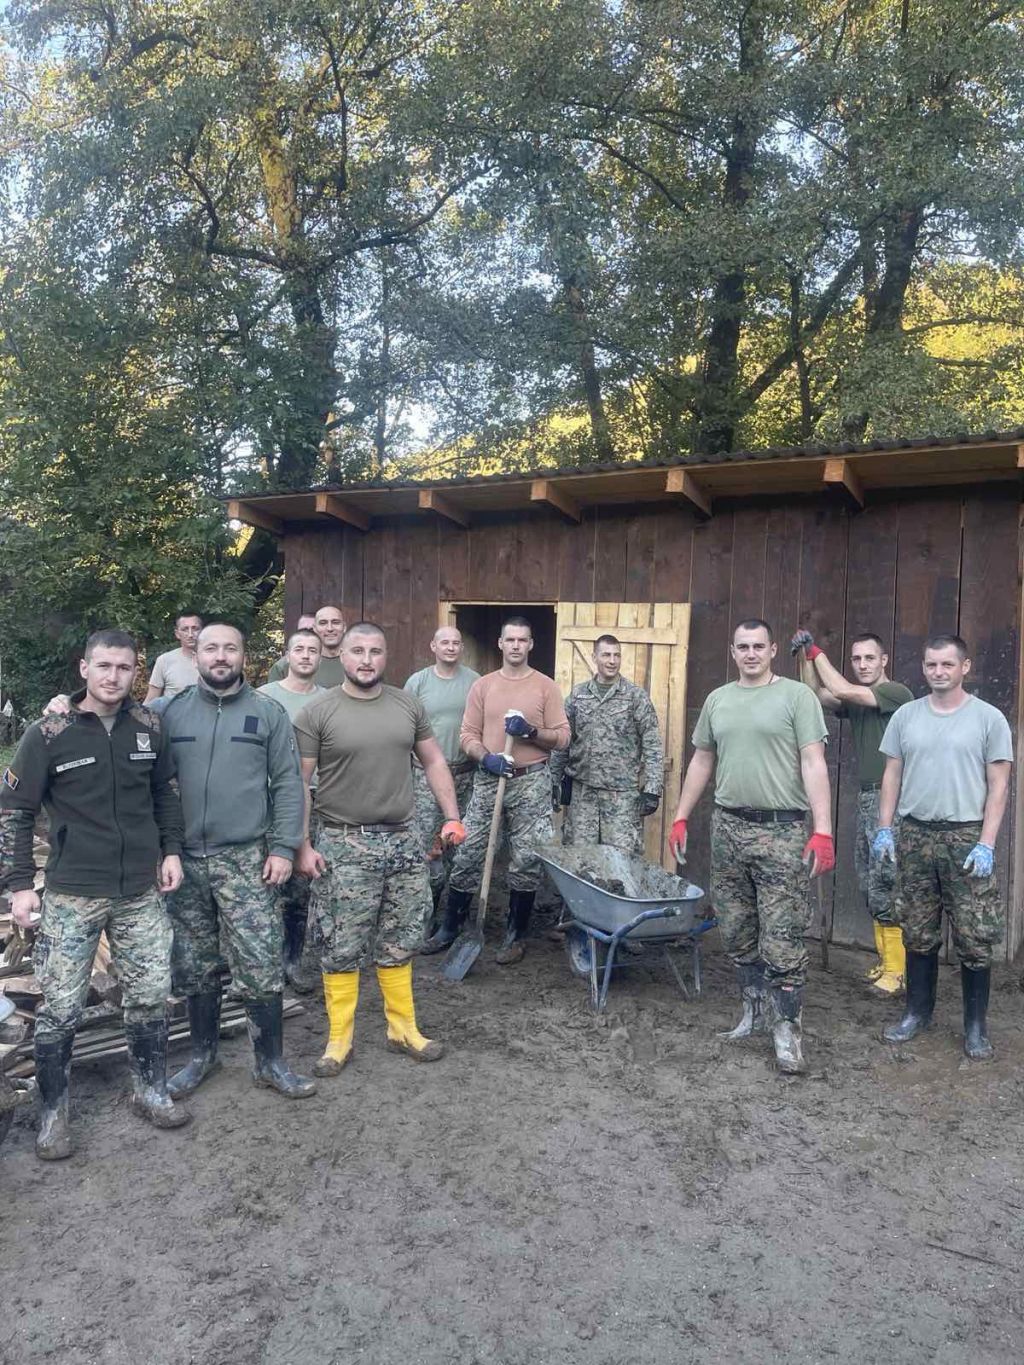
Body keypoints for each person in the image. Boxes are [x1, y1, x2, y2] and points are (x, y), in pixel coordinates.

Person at [0, 629, 190, 1160]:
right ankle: (53, 1115)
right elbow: (14, 812)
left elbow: (165, 793)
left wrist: (171, 850)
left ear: (136, 672)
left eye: (124, 667)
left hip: (139, 891)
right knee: (61, 1006)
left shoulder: (150, 726)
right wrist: (19, 885)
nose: (113, 676)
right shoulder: (49, 732)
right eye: (103, 666)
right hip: (72, 893)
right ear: (84, 669)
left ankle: (150, 1090)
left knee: (150, 994)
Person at [293, 622, 465, 1076]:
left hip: (404, 841)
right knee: (341, 942)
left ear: (386, 656)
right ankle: (339, 1039)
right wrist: (302, 844)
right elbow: (300, 783)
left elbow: (434, 760)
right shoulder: (317, 712)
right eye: (357, 651)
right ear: (342, 656)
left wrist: (451, 815)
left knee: (402, 937)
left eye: (375, 651)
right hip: (343, 844)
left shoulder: (407, 705)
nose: (366, 660)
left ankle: (402, 1029)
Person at [670, 619, 834, 1074]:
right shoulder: (718, 700)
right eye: (742, 647)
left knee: (781, 936)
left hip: (781, 832)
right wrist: (681, 816)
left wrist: (823, 830)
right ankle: (754, 1012)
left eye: (758, 646)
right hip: (728, 827)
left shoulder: (797, 697)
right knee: (737, 928)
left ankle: (787, 1031)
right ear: (733, 651)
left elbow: (813, 762)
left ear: (773, 650)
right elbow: (702, 759)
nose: (750, 654)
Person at [162, 622, 315, 1100]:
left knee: (260, 958)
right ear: (196, 655)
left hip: (247, 860)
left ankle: (270, 1062)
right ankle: (202, 1056)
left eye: (230, 648)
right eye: (211, 648)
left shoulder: (267, 713)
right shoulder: (167, 712)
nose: (221, 656)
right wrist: (64, 705)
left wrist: (284, 847)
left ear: (244, 655)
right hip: (184, 861)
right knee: (194, 962)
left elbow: (288, 783)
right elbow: (110, 719)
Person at [872, 634, 1012, 1060]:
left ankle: (975, 1027)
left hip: (966, 838)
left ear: (964, 667)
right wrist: (885, 828)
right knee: (917, 929)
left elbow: (999, 785)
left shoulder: (988, 719)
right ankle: (917, 1013)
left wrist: (987, 843)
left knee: (974, 934)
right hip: (915, 835)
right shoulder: (906, 716)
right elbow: (892, 774)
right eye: (931, 664)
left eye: (947, 664)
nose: (938, 672)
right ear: (923, 667)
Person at [441, 617, 570, 965]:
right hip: (490, 779)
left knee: (526, 859)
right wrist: (487, 758)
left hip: (531, 782)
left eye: (522, 640)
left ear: (531, 645)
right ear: (500, 643)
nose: (516, 645)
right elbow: (467, 735)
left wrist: (531, 731)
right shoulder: (483, 686)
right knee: (469, 852)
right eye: (510, 639)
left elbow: (563, 737)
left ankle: (516, 934)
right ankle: (451, 926)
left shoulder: (545, 687)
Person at [793, 628, 913, 993]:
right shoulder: (859, 700)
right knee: (869, 879)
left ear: (884, 660)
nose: (862, 664)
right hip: (867, 799)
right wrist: (806, 658)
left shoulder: (895, 693)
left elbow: (841, 688)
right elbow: (817, 694)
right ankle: (886, 961)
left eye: (869, 658)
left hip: (892, 801)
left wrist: (817, 651)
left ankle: (898, 970)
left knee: (887, 880)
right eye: (857, 659)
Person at [549, 634, 663, 854]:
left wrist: (652, 789)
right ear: (595, 657)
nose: (612, 661)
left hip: (621, 797)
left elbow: (653, 746)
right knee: (580, 858)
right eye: (606, 655)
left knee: (622, 860)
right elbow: (563, 742)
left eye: (616, 655)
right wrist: (554, 781)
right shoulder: (578, 696)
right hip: (583, 795)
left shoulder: (635, 697)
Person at [258, 629, 327, 991]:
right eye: (298, 649)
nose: (305, 655)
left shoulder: (329, 701)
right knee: (263, 883)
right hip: (266, 801)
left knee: (300, 887)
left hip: (313, 802)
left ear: (320, 657)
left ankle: (293, 961)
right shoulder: (263, 698)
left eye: (312, 650)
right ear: (287, 655)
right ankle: (260, 966)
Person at [404, 627, 480, 940]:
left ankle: (455, 916)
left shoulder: (475, 682)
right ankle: (425, 915)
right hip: (426, 776)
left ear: (461, 647)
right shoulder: (418, 682)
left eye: (455, 643)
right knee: (427, 847)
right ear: (433, 646)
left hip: (465, 775)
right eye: (444, 642)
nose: (450, 647)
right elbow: (404, 726)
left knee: (461, 847)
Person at [267, 605, 345, 687]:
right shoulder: (284, 665)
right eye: (323, 623)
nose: (329, 628)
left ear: (344, 627)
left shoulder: (352, 661)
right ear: (316, 628)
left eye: (335, 622)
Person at [145, 612, 203, 702]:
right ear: (177, 634)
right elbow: (150, 701)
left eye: (195, 629)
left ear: (203, 631)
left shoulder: (216, 660)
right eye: (185, 629)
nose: (190, 634)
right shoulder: (164, 661)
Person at [264, 614, 316, 683]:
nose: (308, 634)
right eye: (303, 630)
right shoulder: (281, 667)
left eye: (312, 630)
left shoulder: (331, 663)